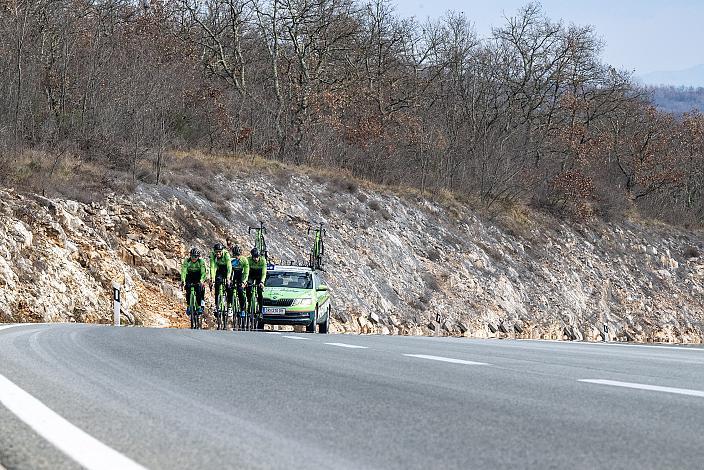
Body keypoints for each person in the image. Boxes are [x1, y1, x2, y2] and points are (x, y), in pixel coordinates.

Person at [180, 247, 207, 315]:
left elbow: (203, 272)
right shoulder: (187, 261)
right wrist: (183, 280)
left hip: (198, 276)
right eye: (192, 256)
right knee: (188, 290)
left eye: (195, 256)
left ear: (198, 257)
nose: (194, 258)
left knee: (199, 289)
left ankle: (199, 306)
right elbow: (183, 271)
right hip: (189, 276)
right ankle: (189, 306)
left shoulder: (201, 262)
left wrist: (201, 281)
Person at [227, 243, 250, 320]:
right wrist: (229, 280)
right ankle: (229, 306)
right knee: (229, 288)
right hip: (233, 274)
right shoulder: (231, 260)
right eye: (235, 255)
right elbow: (229, 271)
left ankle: (242, 309)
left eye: (238, 255)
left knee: (240, 290)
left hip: (241, 275)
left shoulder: (244, 260)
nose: (237, 256)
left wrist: (244, 282)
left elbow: (246, 272)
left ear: (241, 254)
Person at [209, 243, 232, 313]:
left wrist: (228, 278)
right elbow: (212, 267)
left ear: (222, 251)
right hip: (219, 269)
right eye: (216, 252)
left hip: (227, 269)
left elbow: (229, 267)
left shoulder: (226, 254)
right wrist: (212, 278)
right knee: (217, 285)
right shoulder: (212, 254)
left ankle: (229, 305)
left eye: (219, 251)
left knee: (229, 287)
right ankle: (217, 305)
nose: (218, 253)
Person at [246, 247, 267, 316]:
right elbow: (246, 271)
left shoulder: (263, 260)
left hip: (259, 275)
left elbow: (264, 273)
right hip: (251, 274)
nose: (256, 259)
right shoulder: (248, 260)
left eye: (257, 257)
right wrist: (245, 281)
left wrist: (262, 282)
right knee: (248, 287)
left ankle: (260, 311)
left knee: (260, 292)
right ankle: (249, 302)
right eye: (254, 257)